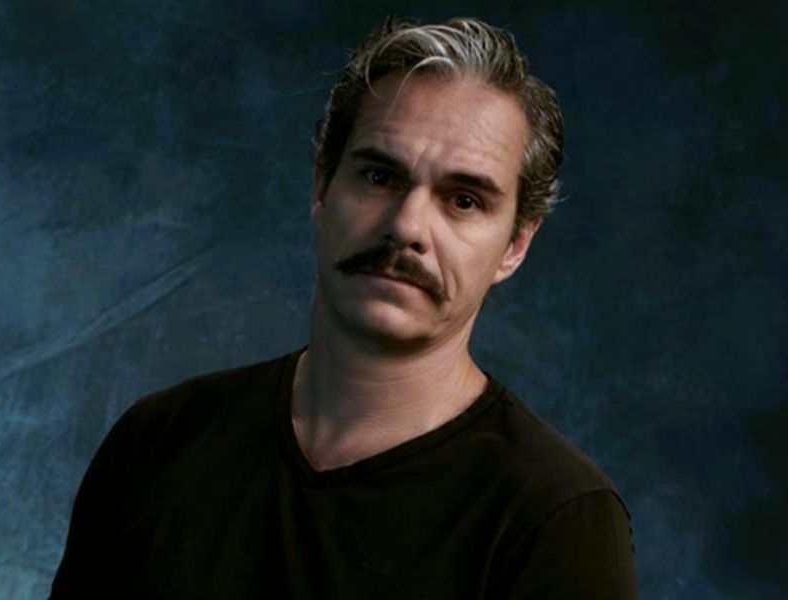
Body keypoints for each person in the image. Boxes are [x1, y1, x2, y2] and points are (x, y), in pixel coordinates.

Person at [50, 15, 637, 599]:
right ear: (321, 186)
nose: (407, 226)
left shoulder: (555, 517)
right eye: (380, 176)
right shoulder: (158, 443)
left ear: (515, 245)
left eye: (463, 200)